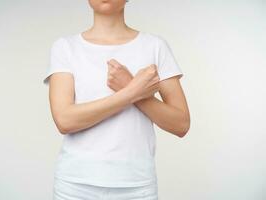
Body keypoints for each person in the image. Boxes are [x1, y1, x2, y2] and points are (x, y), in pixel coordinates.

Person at [43, 0, 190, 199]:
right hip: (76, 185)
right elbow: (65, 120)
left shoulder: (155, 46)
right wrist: (131, 92)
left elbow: (180, 124)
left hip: (137, 186)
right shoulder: (65, 47)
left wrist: (130, 87)